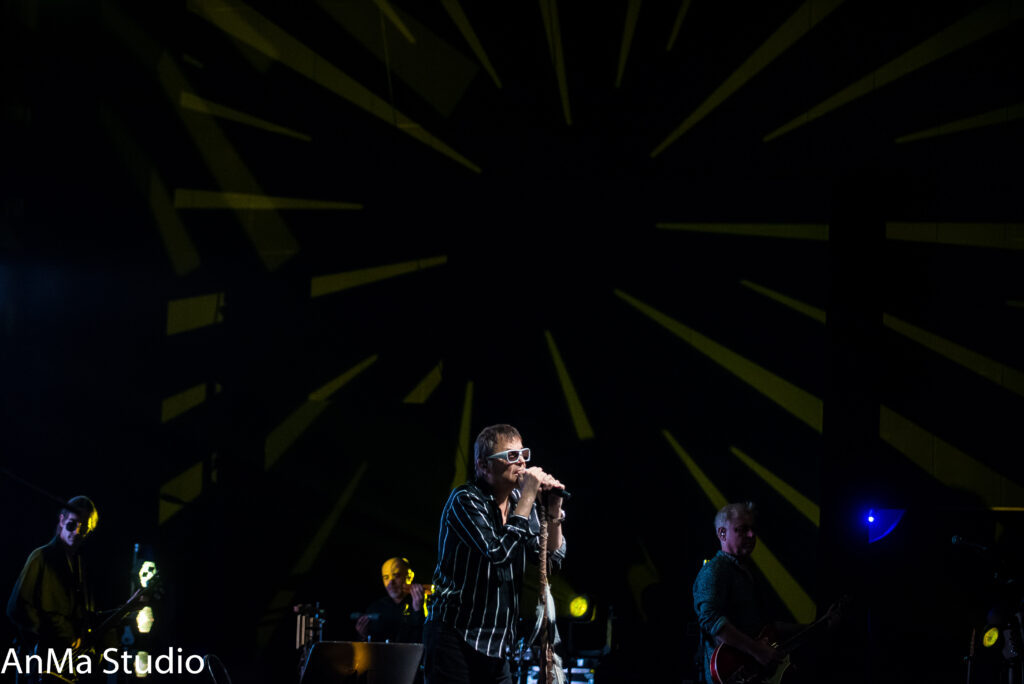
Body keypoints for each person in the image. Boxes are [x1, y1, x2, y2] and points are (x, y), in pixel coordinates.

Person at [423, 424, 567, 684]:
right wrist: (528, 497)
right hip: (455, 636)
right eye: (511, 456)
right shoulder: (465, 500)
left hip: (497, 644)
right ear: (483, 466)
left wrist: (554, 510)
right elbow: (499, 554)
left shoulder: (519, 503)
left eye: (523, 454)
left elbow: (550, 561)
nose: (521, 462)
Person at [7, 496, 99, 676]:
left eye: (83, 528)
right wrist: (45, 636)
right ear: (62, 521)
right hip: (40, 664)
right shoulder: (40, 557)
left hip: (64, 665)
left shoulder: (81, 566)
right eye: (72, 525)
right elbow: (15, 608)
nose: (77, 532)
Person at [354, 557, 427, 643]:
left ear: (409, 577)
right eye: (386, 577)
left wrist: (418, 611)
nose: (390, 583)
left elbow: (425, 639)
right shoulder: (375, 607)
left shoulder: (425, 605)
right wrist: (362, 635)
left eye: (396, 576)